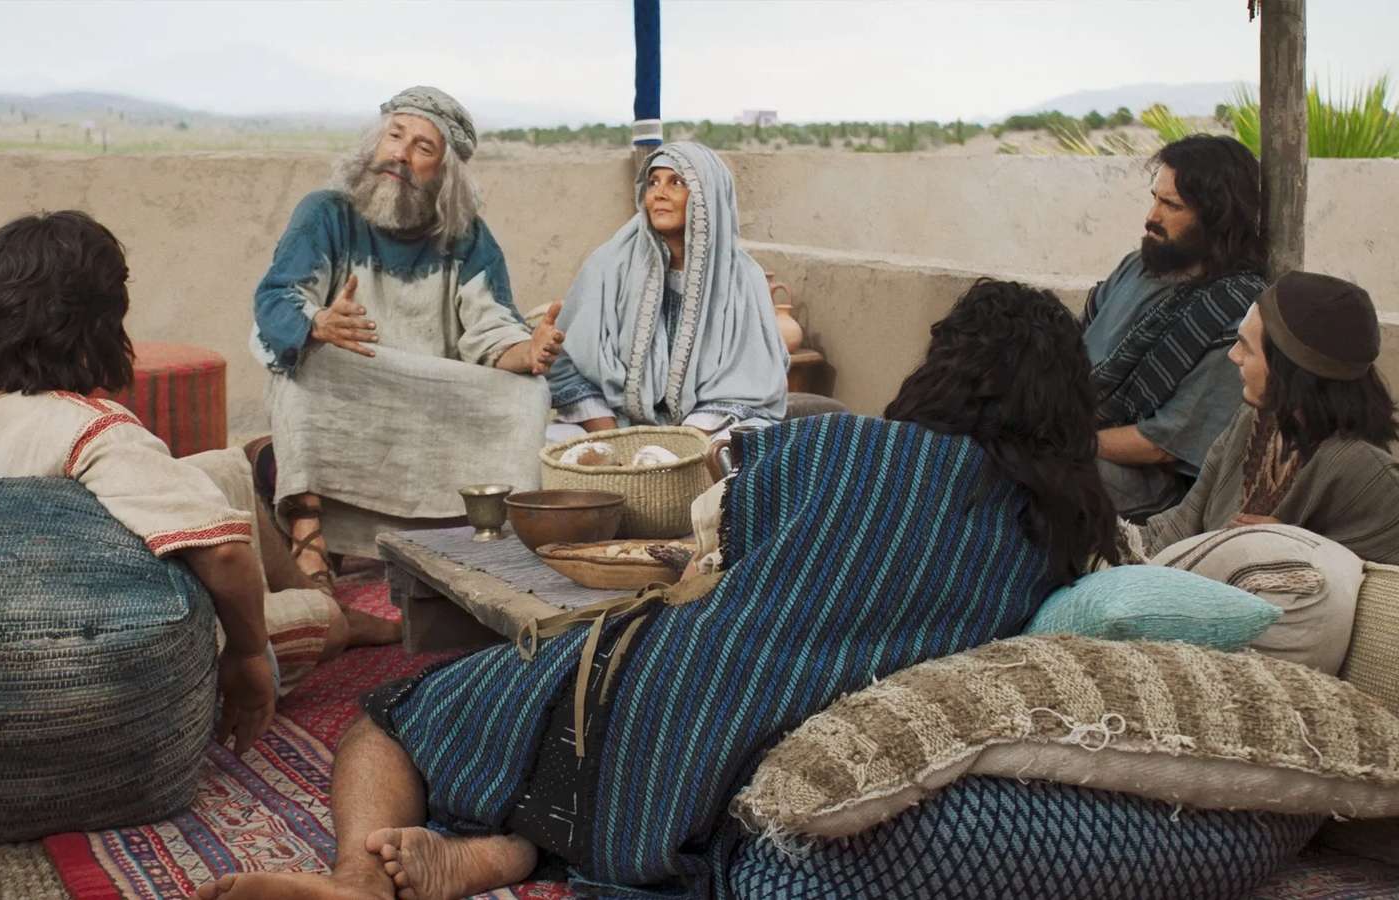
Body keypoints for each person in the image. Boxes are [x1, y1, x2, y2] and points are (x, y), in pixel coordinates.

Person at [190, 279, 1120, 900]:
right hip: (739, 777)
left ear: (944, 366)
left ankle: (361, 877)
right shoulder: (1065, 532)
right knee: (599, 772)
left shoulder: (837, 447)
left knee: (399, 712)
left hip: (665, 693)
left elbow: (729, 547)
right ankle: (502, 850)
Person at [0, 211, 344, 754]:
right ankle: (329, 612)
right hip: (58, 659)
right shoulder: (89, 430)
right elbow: (224, 556)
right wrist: (246, 655)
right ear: (99, 325)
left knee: (224, 470)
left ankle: (297, 587)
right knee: (322, 618)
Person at [250, 86, 562, 601]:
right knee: (303, 368)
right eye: (395, 135)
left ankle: (478, 536)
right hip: (350, 379)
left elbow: (491, 330)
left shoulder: (466, 236)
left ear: (444, 172)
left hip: (431, 392)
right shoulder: (325, 213)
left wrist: (530, 351)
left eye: (423, 147)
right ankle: (308, 535)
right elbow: (277, 299)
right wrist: (319, 322)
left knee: (527, 394)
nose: (400, 153)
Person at [1134, 271, 1399, 564]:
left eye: (1246, 346)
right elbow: (1186, 519)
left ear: (1288, 370)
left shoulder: (1369, 475)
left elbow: (1380, 586)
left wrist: (1300, 547)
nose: (1233, 355)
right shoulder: (1253, 421)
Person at [546, 141, 788, 440]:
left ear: (706, 196)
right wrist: (616, 442)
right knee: (556, 439)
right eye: (653, 182)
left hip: (706, 431)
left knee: (746, 441)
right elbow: (568, 364)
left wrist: (677, 450)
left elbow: (749, 383)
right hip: (619, 425)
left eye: (676, 182)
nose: (659, 193)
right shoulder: (609, 264)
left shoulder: (743, 277)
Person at [1085, 135, 1268, 520]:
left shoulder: (1232, 314)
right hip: (1069, 430)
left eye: (1171, 206)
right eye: (1155, 198)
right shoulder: (1135, 267)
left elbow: (1163, 444)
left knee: (1029, 473)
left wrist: (1061, 442)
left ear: (1215, 218)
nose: (1151, 217)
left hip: (1146, 479)